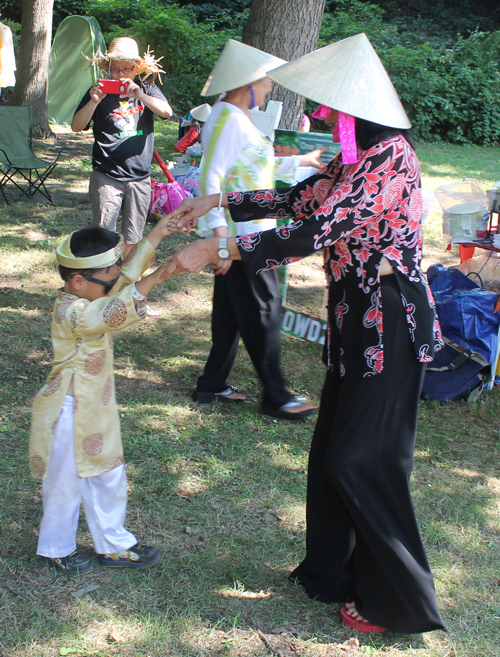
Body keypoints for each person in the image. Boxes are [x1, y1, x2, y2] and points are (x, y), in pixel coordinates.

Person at [162, 34, 446, 634]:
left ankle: (398, 603)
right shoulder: (355, 157)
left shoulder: (392, 158)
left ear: (358, 110)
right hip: (353, 323)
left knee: (360, 459)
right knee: (328, 457)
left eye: (331, 110)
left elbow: (315, 229)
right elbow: (296, 197)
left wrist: (219, 247)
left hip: (391, 324)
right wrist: (218, 199)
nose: (322, 117)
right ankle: (328, 576)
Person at [29, 217, 175, 576]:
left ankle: (113, 544)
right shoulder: (72, 310)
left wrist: (159, 232)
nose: (117, 281)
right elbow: (104, 315)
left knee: (109, 474)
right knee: (63, 482)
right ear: (78, 281)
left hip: (96, 407)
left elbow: (123, 280)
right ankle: (55, 547)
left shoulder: (92, 289)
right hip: (67, 409)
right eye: (109, 276)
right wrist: (155, 279)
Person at [191, 39, 322, 418]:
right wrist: (219, 241)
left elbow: (257, 170)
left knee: (231, 311)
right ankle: (277, 396)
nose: (268, 89)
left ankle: (211, 384)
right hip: (240, 237)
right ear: (248, 83)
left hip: (248, 232)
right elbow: (210, 177)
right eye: (266, 83)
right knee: (265, 310)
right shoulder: (227, 118)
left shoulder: (237, 118)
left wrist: (303, 161)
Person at [72, 37, 172, 318]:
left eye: (126, 69)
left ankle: (130, 296)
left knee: (134, 241)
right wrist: (94, 101)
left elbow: (166, 112)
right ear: (108, 67)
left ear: (136, 69)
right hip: (107, 175)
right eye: (115, 69)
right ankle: (97, 297)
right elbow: (76, 126)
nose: (120, 75)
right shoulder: (99, 91)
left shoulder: (148, 89)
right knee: (102, 238)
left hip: (139, 178)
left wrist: (139, 95)